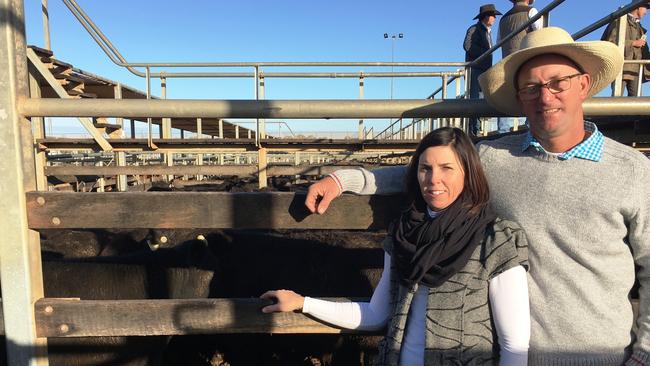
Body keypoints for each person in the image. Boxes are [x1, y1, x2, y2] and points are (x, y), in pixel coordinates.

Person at [304, 27, 650, 366]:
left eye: (558, 82)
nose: (545, 97)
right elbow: (429, 172)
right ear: (519, 97)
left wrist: (644, 352)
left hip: (604, 355)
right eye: (531, 87)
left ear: (583, 85)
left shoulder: (633, 170)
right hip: (507, 352)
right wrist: (342, 179)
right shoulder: (495, 159)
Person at [262, 127, 531, 366]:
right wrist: (302, 303)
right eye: (425, 168)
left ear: (468, 173)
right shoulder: (404, 235)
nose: (434, 179)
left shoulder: (496, 239)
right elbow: (376, 314)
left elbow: (514, 345)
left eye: (447, 168)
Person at [496, 0, 543, 133]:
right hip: (526, 60)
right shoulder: (531, 11)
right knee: (531, 93)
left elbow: (498, 41)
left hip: (507, 63)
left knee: (507, 96)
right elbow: (541, 33)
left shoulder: (503, 19)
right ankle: (530, 128)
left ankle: (502, 131)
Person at [463, 4, 502, 136]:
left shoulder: (486, 31)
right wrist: (484, 54)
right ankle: (474, 130)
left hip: (484, 69)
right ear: (486, 17)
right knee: (475, 98)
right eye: (493, 15)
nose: (495, 18)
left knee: (481, 97)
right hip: (476, 69)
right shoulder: (474, 29)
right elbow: (467, 46)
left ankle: (477, 128)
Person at [602, 2, 649, 96]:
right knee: (617, 100)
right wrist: (633, 43)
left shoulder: (639, 27)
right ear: (638, 7)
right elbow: (610, 43)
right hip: (622, 67)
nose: (646, 12)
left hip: (637, 69)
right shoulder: (619, 20)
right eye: (645, 8)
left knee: (636, 104)